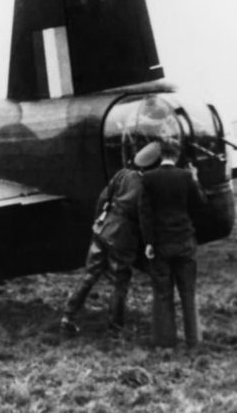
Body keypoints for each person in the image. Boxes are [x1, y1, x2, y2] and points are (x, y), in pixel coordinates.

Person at [60, 142, 161, 336]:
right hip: (124, 238)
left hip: (103, 229)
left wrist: (98, 220)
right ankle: (115, 329)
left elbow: (102, 198)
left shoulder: (122, 174)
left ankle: (68, 317)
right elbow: (145, 218)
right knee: (120, 282)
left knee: (89, 275)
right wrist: (149, 242)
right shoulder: (147, 187)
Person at [138, 139, 205, 349]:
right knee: (188, 292)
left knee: (162, 293)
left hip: (160, 244)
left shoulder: (148, 179)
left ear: (160, 156)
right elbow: (201, 205)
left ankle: (165, 342)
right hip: (184, 241)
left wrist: (148, 242)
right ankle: (193, 341)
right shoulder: (186, 177)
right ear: (176, 156)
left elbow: (145, 214)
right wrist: (195, 180)